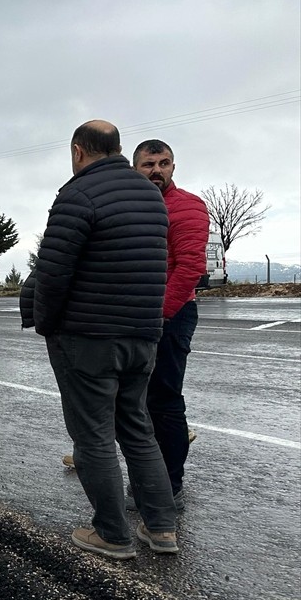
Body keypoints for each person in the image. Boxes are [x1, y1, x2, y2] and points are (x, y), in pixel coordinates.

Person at [33, 120, 178, 559]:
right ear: (117, 149)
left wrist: (45, 323)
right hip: (143, 334)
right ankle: (161, 528)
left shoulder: (77, 194)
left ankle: (112, 534)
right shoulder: (151, 196)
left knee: (93, 435)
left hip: (90, 336)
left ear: (78, 151)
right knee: (138, 429)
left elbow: (52, 272)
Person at [131, 139, 209, 508]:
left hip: (170, 316)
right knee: (135, 402)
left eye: (163, 163)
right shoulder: (130, 206)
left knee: (163, 399)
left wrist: (159, 314)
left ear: (173, 168)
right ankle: (147, 479)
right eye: (149, 165)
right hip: (132, 316)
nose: (157, 171)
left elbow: (189, 268)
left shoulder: (187, 206)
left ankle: (169, 487)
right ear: (135, 169)